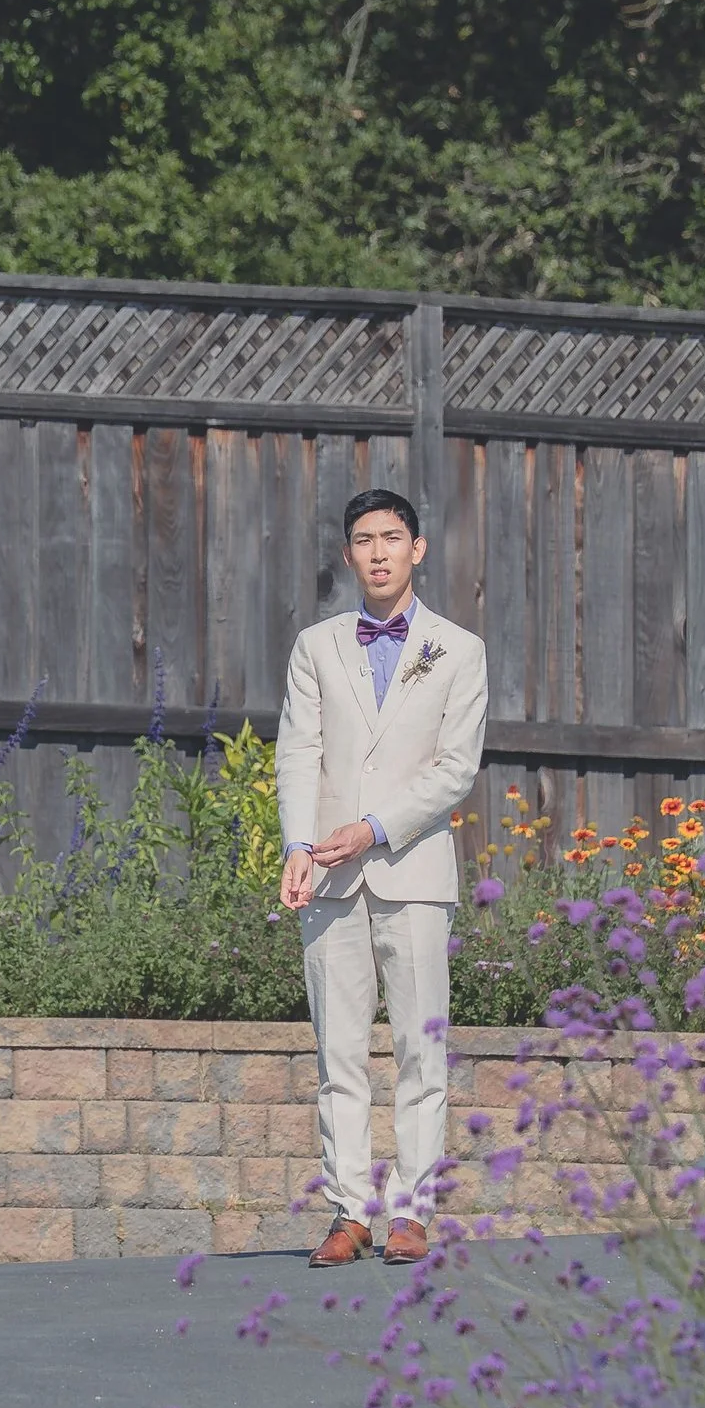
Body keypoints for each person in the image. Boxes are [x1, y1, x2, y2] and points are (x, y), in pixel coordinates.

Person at [274, 488, 490, 1268]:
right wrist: (299, 843)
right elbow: (297, 750)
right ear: (346, 553)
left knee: (419, 1049)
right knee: (338, 1052)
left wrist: (372, 829)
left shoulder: (458, 650)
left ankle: (411, 1212)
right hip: (327, 877)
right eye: (363, 539)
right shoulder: (316, 645)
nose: (377, 552)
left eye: (391, 538)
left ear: (417, 549)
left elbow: (455, 769)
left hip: (413, 870)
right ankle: (349, 1211)